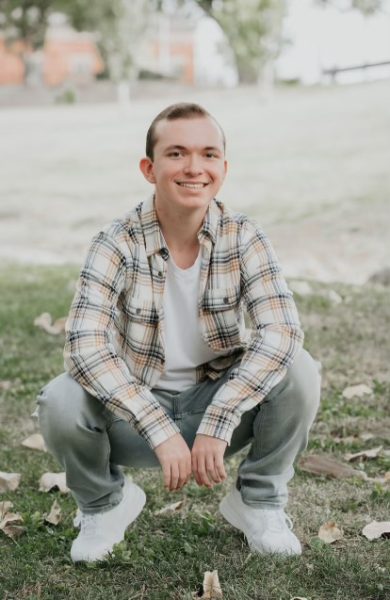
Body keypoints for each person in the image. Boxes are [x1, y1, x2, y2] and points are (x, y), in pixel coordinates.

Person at [37, 102, 321, 564]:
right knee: (60, 399)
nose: (194, 167)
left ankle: (259, 502)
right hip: (135, 416)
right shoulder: (116, 241)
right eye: (176, 154)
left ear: (223, 169)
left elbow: (282, 331)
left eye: (208, 154)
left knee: (300, 370)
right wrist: (159, 428)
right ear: (149, 169)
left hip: (218, 408)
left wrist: (221, 416)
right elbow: (84, 347)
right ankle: (105, 505)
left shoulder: (244, 235)